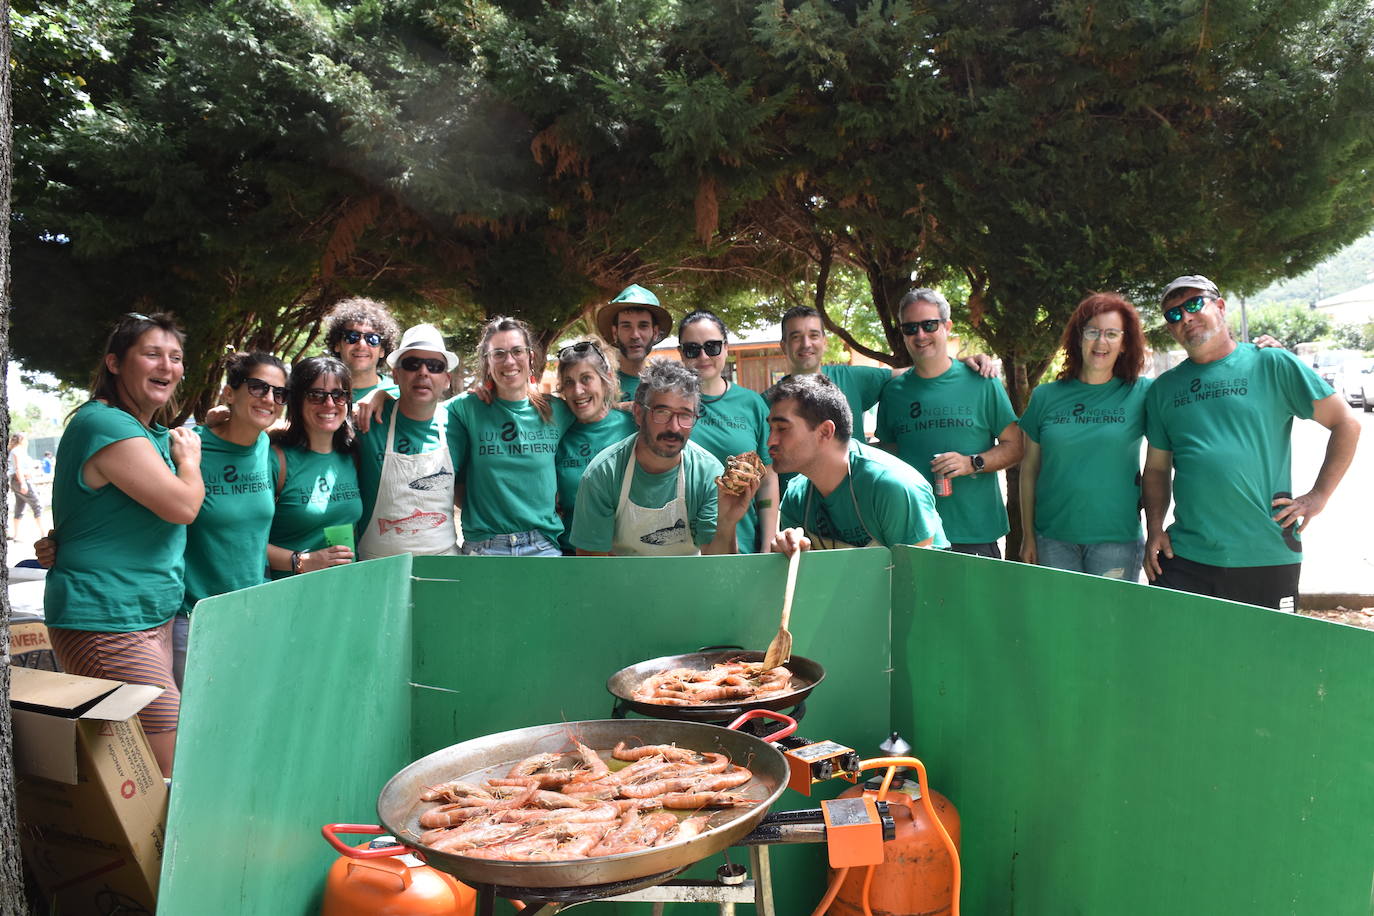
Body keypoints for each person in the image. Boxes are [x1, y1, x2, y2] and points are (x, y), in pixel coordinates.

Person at [44, 313, 204, 777]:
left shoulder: (149, 432)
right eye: (152, 354)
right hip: (106, 620)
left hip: (149, 617)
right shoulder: (105, 423)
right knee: (176, 768)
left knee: (139, 769)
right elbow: (182, 506)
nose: (167, 366)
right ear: (115, 362)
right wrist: (189, 463)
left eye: (175, 357)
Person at [1143, 275, 1361, 611]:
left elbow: (1345, 422)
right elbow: (1156, 469)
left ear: (1220, 306)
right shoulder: (1164, 389)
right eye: (1173, 314)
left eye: (1194, 304)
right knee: (1185, 660)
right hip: (1185, 556)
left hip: (1266, 553)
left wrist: (1319, 496)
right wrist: (1154, 528)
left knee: (1267, 660)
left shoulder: (1271, 363)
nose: (1185, 317)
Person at [875, 288, 1023, 558]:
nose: (920, 335)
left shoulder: (982, 381)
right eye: (910, 328)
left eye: (929, 325)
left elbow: (1015, 446)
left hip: (974, 532)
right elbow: (887, 457)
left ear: (947, 326)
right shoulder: (893, 392)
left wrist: (972, 463)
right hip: (914, 533)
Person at [1018, 293, 1151, 581]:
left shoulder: (1142, 393)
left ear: (1125, 343)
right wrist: (1028, 535)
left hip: (1116, 540)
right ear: (1079, 338)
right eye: (1092, 331)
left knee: (1108, 624)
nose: (1101, 342)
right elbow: (1029, 470)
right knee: (1061, 625)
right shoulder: (1045, 396)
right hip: (1053, 539)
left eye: (1112, 334)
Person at [176, 352, 287, 684]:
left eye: (279, 393)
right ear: (228, 393)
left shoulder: (267, 445)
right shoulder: (187, 447)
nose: (269, 399)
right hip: (195, 617)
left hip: (254, 613)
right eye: (257, 387)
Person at [572, 358, 756, 556]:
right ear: (638, 413)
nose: (674, 427)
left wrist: (726, 523)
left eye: (685, 415)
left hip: (691, 583)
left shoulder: (709, 474)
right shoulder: (604, 472)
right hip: (620, 584)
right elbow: (592, 564)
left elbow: (718, 568)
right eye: (662, 412)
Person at [765, 373, 947, 553]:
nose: (770, 441)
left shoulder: (892, 486)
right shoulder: (796, 497)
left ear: (825, 431)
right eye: (770, 429)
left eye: (782, 429)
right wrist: (786, 553)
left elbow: (919, 576)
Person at [447, 316, 574, 556]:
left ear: (531, 357)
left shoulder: (557, 410)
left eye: (517, 351)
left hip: (542, 545)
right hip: (485, 546)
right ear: (487, 361)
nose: (509, 361)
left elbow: (600, 414)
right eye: (499, 354)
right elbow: (421, 408)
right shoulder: (468, 408)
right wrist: (380, 397)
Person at [779, 305, 998, 440]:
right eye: (796, 337)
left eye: (814, 335)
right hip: (797, 511)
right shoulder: (767, 402)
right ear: (783, 345)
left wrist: (961, 363)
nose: (806, 344)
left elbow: (911, 372)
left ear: (825, 342)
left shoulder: (852, 379)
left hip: (853, 505)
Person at [354, 324, 461, 559]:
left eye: (434, 366)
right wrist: (378, 393)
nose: (423, 372)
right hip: (375, 566)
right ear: (396, 374)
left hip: (444, 562)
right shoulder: (367, 419)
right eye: (412, 364)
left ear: (446, 379)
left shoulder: (459, 424)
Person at [677, 310, 779, 552]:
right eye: (692, 349)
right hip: (679, 549)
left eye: (712, 346)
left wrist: (767, 545)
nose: (703, 356)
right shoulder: (668, 404)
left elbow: (767, 479)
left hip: (741, 546)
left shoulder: (751, 403)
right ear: (681, 353)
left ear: (726, 347)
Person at [267, 357, 363, 578]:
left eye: (339, 395)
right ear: (297, 400)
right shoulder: (276, 459)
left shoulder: (352, 455)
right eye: (316, 395)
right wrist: (303, 561)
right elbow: (247, 539)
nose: (329, 404)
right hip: (288, 594)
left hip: (342, 590)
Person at [553, 338, 637, 554]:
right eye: (569, 382)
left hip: (628, 561)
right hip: (572, 558)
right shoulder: (557, 433)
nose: (578, 391)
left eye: (586, 379)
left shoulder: (634, 425)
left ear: (606, 379)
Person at [595, 284, 673, 402]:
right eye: (626, 326)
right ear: (615, 333)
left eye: (643, 326)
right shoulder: (600, 385)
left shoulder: (668, 385)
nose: (635, 335)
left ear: (655, 332)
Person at [324, 297, 402, 400]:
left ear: (382, 350)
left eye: (372, 339)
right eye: (352, 336)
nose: (361, 344)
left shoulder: (399, 396)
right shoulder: (318, 394)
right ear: (337, 344)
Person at [8, 432, 45, 541]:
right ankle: (43, 533)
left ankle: (16, 535)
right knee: (37, 504)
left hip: (19, 480)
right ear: (22, 439)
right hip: (22, 480)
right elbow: (18, 468)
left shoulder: (18, 451)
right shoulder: (17, 451)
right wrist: (23, 483)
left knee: (20, 506)